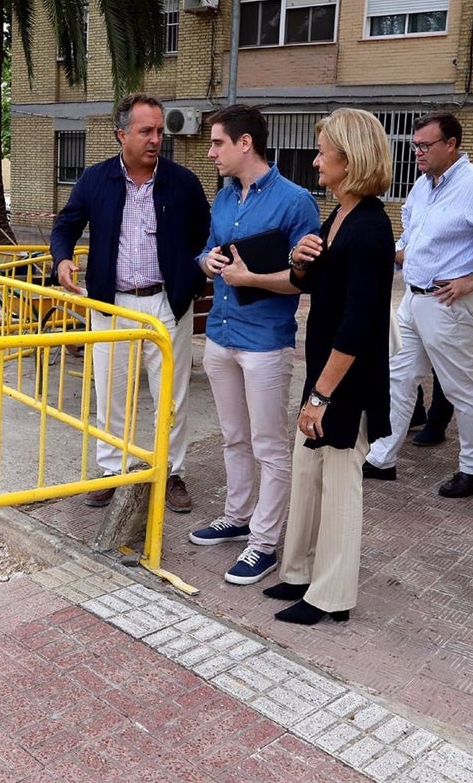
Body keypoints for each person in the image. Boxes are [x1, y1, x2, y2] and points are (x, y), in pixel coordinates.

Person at [260, 107, 395, 625]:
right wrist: (299, 260)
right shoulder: (337, 216)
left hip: (345, 380)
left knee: (339, 483)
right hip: (322, 372)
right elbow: (310, 284)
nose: (315, 161)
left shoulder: (370, 228)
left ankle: (331, 596)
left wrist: (321, 396)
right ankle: (298, 572)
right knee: (308, 471)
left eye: (323, 152)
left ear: (350, 158)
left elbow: (359, 323)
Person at [50, 93, 210, 514]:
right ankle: (113, 470)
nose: (156, 138)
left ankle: (169, 470)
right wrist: (63, 259)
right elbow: (66, 225)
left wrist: (192, 280)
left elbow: (205, 235)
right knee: (112, 393)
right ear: (122, 134)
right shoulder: (95, 179)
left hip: (166, 304)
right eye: (146, 131)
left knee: (171, 397)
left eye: (159, 130)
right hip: (113, 305)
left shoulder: (183, 182)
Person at [362, 112, 473, 497]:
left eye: (425, 145)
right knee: (399, 380)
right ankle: (381, 459)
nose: (417, 152)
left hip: (447, 304)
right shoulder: (423, 185)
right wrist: (400, 253)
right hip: (413, 298)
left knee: (460, 388)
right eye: (414, 145)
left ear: (450, 144)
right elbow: (412, 232)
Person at [191, 105, 320, 586]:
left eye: (217, 143)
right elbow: (207, 247)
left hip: (264, 341)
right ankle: (236, 515)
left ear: (245, 143)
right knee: (232, 435)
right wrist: (208, 262)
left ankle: (263, 543)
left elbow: (305, 280)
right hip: (221, 334)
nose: (211, 152)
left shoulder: (295, 201)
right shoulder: (223, 198)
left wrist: (251, 277)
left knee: (269, 444)